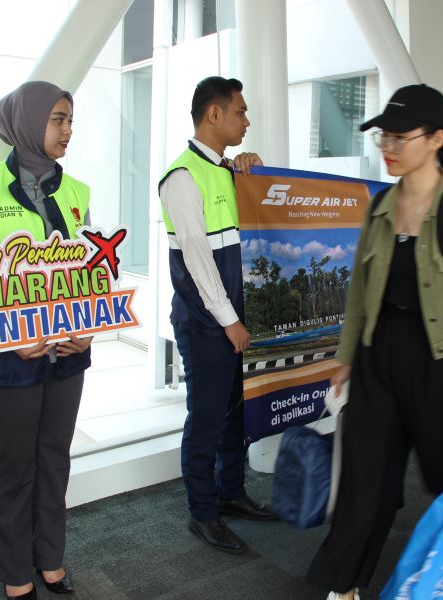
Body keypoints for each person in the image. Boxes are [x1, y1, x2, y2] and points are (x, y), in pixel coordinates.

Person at [306, 84, 443, 600]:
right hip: (379, 357)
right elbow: (360, 292)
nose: (388, 146)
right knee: (365, 478)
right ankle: (345, 584)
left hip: (440, 363)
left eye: (400, 136)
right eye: (384, 136)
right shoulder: (380, 205)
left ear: (438, 138)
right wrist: (347, 358)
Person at [0, 81, 91, 599]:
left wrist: (86, 326)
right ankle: (14, 573)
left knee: (55, 456)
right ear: (27, 121)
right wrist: (5, 341)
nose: (68, 130)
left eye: (70, 119)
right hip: (6, 359)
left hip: (66, 357)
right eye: (57, 119)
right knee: (12, 465)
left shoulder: (76, 194)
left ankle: (50, 559)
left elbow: (88, 274)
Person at [157, 75, 277, 555]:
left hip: (233, 321)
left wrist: (254, 169)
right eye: (240, 111)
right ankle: (203, 513)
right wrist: (230, 321)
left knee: (234, 415)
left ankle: (230, 494)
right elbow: (198, 262)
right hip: (207, 324)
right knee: (205, 419)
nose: (246, 120)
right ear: (214, 114)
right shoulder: (182, 178)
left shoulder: (227, 171)